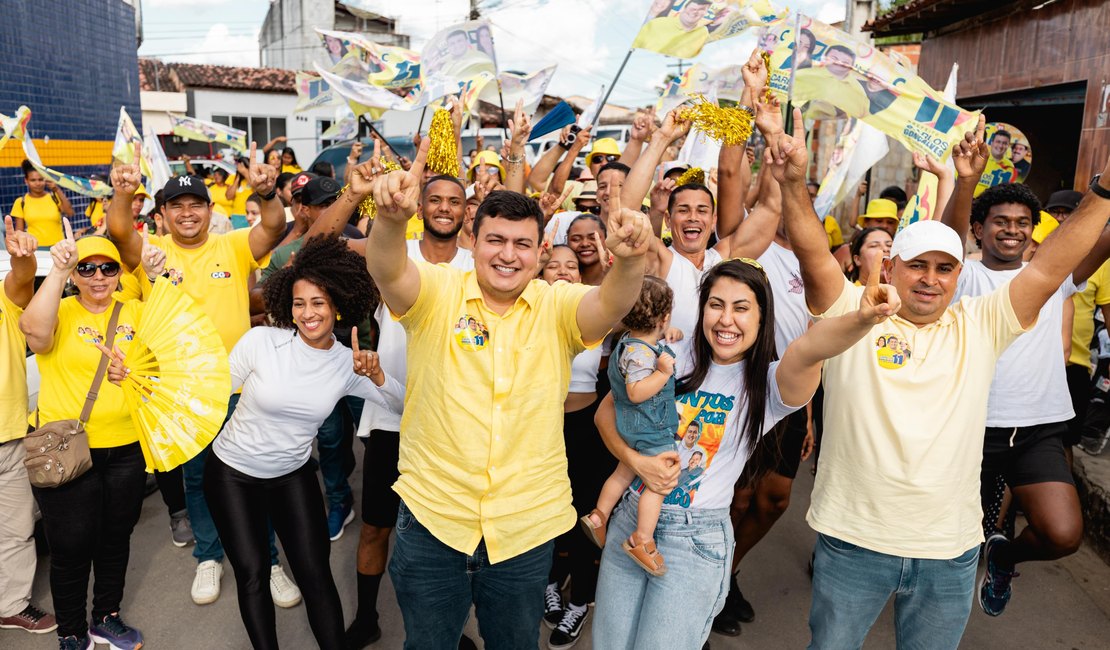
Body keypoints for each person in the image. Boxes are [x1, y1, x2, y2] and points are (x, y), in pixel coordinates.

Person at [767, 94, 1110, 646]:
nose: (930, 279)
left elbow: (1052, 264)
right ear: (891, 267)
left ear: (959, 275)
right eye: (917, 266)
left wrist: (1105, 190)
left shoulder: (982, 322)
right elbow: (811, 252)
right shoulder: (857, 312)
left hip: (949, 551)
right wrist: (789, 184)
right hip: (854, 541)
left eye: (944, 268)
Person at [363, 133, 652, 647]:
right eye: (496, 240)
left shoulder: (558, 304)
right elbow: (387, 268)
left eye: (522, 244)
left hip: (526, 527)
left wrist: (629, 261)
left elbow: (608, 305)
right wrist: (388, 219)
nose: (507, 255)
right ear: (474, 240)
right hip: (434, 520)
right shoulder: (436, 289)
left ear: (541, 251)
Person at [591, 256, 902, 649]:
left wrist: (863, 319)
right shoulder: (669, 352)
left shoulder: (769, 385)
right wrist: (636, 462)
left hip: (694, 542)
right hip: (630, 521)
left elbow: (811, 347)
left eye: (741, 308)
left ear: (761, 316)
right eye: (716, 304)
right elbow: (605, 414)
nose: (726, 320)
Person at [107, 237, 400, 650]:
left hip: (292, 475)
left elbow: (405, 404)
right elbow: (204, 390)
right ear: (287, 305)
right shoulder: (263, 342)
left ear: (337, 303)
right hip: (232, 475)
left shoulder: (347, 362)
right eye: (299, 303)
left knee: (315, 575)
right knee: (253, 573)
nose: (308, 313)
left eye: (318, 302)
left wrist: (378, 376)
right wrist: (141, 378)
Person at [105, 144, 298, 608]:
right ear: (164, 214)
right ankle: (208, 556)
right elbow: (118, 233)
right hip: (181, 395)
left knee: (255, 475)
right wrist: (122, 192)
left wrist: (268, 191)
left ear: (211, 211)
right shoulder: (152, 253)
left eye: (196, 205)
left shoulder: (230, 245)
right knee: (198, 479)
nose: (187, 214)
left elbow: (272, 227)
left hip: (239, 389)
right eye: (177, 206)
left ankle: (269, 560)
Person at [944, 139, 1110, 616]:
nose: (1012, 231)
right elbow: (949, 238)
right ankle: (933, 607)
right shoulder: (963, 277)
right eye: (1000, 221)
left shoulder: (1053, 275)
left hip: (1038, 431)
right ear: (980, 229)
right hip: (969, 428)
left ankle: (1005, 555)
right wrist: (967, 180)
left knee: (1062, 535)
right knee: (948, 540)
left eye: (1022, 223)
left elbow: (1096, 232)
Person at [329, 158, 476, 648]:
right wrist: (358, 194)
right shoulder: (392, 249)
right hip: (390, 415)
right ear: (419, 205)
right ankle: (367, 618)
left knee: (451, 536)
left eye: (455, 201)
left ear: (465, 211)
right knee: (375, 527)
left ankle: (447, 630)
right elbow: (320, 248)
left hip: (454, 422)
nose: (444, 208)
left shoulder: (477, 265)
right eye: (435, 198)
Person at [20, 225, 170, 650]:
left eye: (108, 268)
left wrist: (138, 375)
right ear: (74, 274)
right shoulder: (61, 310)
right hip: (67, 450)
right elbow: (33, 332)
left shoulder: (135, 311)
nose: (99, 276)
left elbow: (167, 360)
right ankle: (70, 631)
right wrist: (58, 269)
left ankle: (106, 617)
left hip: (125, 446)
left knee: (115, 536)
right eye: (87, 268)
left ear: (120, 272)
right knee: (70, 546)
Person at [537, 244, 612, 649]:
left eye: (572, 265)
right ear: (540, 271)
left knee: (585, 515)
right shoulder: (527, 309)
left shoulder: (591, 307)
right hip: (539, 426)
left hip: (585, 427)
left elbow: (637, 320)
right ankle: (550, 583)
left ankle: (580, 600)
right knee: (543, 511)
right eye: (554, 265)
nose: (563, 270)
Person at [581, 276, 678, 577]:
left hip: (627, 426)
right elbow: (636, 391)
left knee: (623, 471)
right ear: (664, 317)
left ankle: (599, 516)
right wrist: (662, 374)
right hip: (648, 428)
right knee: (658, 482)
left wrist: (668, 334)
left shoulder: (628, 342)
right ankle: (642, 539)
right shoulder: (641, 355)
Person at [0, 218, 57, 637]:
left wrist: (23, 260)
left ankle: (12, 605)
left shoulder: (3, 300)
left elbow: (20, 283)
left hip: (10, 436)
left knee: (18, 530)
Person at [11, 160, 74, 246]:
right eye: (33, 180)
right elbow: (19, 232)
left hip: (59, 247)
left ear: (45, 179)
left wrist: (57, 189)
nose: (37, 183)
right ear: (26, 181)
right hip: (35, 249)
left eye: (40, 179)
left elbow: (70, 212)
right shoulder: (21, 202)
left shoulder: (54, 197)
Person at [631, 0, 713, 59]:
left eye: (701, 10)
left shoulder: (704, 33)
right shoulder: (659, 23)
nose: (695, 12)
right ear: (684, 8)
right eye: (692, 9)